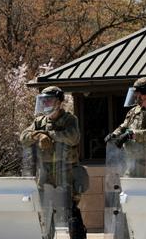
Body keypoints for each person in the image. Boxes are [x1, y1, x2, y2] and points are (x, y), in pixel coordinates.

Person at [20, 86, 87, 239]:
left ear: (58, 102)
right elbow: (23, 136)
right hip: (45, 172)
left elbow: (73, 137)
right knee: (44, 210)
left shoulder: (70, 119)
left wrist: (48, 134)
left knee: (70, 210)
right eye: (43, 101)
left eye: (48, 101)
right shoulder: (40, 121)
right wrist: (37, 135)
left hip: (66, 171)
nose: (45, 104)